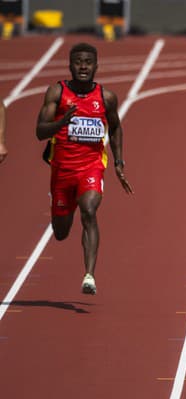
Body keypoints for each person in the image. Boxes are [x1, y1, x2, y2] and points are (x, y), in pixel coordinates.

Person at [36, 43, 133, 295]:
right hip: (62, 171)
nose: (83, 66)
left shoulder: (106, 97)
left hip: (91, 167)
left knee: (89, 211)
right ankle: (60, 204)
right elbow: (39, 131)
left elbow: (116, 127)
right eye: (78, 62)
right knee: (60, 232)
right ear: (70, 65)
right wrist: (61, 122)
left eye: (88, 62)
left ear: (96, 66)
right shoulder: (57, 93)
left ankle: (89, 275)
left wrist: (119, 162)